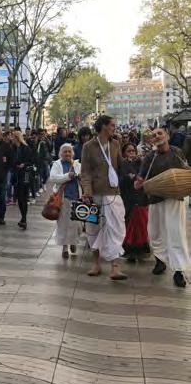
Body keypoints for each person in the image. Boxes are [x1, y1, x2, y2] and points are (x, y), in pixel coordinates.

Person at [136, 127, 190, 287]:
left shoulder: (177, 152)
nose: (157, 136)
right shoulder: (149, 158)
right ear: (152, 141)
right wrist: (138, 183)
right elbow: (141, 179)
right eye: (154, 135)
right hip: (155, 199)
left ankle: (179, 271)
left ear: (167, 136)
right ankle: (160, 261)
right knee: (156, 232)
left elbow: (185, 171)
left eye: (160, 133)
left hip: (174, 199)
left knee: (176, 233)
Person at [80, 115, 127, 280]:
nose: (114, 127)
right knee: (93, 229)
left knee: (116, 228)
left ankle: (115, 266)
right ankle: (96, 264)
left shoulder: (115, 144)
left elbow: (121, 165)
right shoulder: (88, 146)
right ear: (103, 126)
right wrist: (87, 191)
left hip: (113, 194)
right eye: (112, 125)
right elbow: (84, 172)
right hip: (93, 196)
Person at [49, 143, 81, 259]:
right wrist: (68, 176)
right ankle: (65, 248)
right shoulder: (57, 164)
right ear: (61, 153)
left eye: (69, 151)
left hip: (77, 198)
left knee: (77, 224)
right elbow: (53, 178)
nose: (67, 153)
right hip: (63, 198)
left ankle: (73, 242)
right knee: (64, 224)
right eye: (65, 151)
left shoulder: (77, 164)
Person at [119, 143, 149, 263]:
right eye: (129, 151)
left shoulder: (141, 163)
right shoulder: (122, 164)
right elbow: (120, 181)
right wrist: (130, 176)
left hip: (141, 198)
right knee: (129, 223)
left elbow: (144, 177)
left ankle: (141, 251)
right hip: (128, 198)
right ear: (124, 153)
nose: (131, 153)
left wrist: (135, 176)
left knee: (141, 224)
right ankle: (130, 251)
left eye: (133, 151)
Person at [12, 131, 34, 230]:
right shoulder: (15, 148)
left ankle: (24, 219)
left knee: (23, 197)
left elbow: (31, 161)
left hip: (25, 175)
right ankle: (23, 218)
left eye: (13, 137)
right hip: (17, 175)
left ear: (17, 138)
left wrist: (24, 164)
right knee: (20, 198)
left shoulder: (25, 148)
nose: (12, 139)